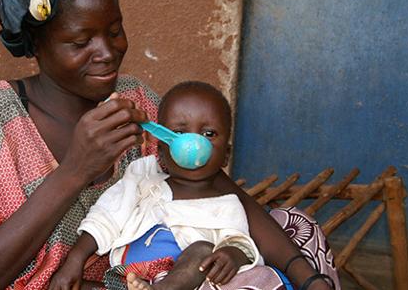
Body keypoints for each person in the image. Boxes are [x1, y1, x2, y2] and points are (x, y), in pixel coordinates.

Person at [0, 0, 339, 289]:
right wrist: (73, 171)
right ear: (36, 45)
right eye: (80, 41)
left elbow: (221, 194)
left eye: (114, 30)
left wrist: (308, 276)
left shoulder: (135, 104)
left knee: (292, 229)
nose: (108, 53)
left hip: (147, 277)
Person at [50, 81, 263, 290]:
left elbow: (241, 244)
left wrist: (232, 255)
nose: (192, 144)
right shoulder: (141, 178)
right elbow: (105, 217)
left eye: (208, 134)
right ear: (160, 150)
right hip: (126, 280)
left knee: (204, 250)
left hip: (186, 282)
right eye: (179, 134)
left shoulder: (227, 205)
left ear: (226, 155)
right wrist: (75, 260)